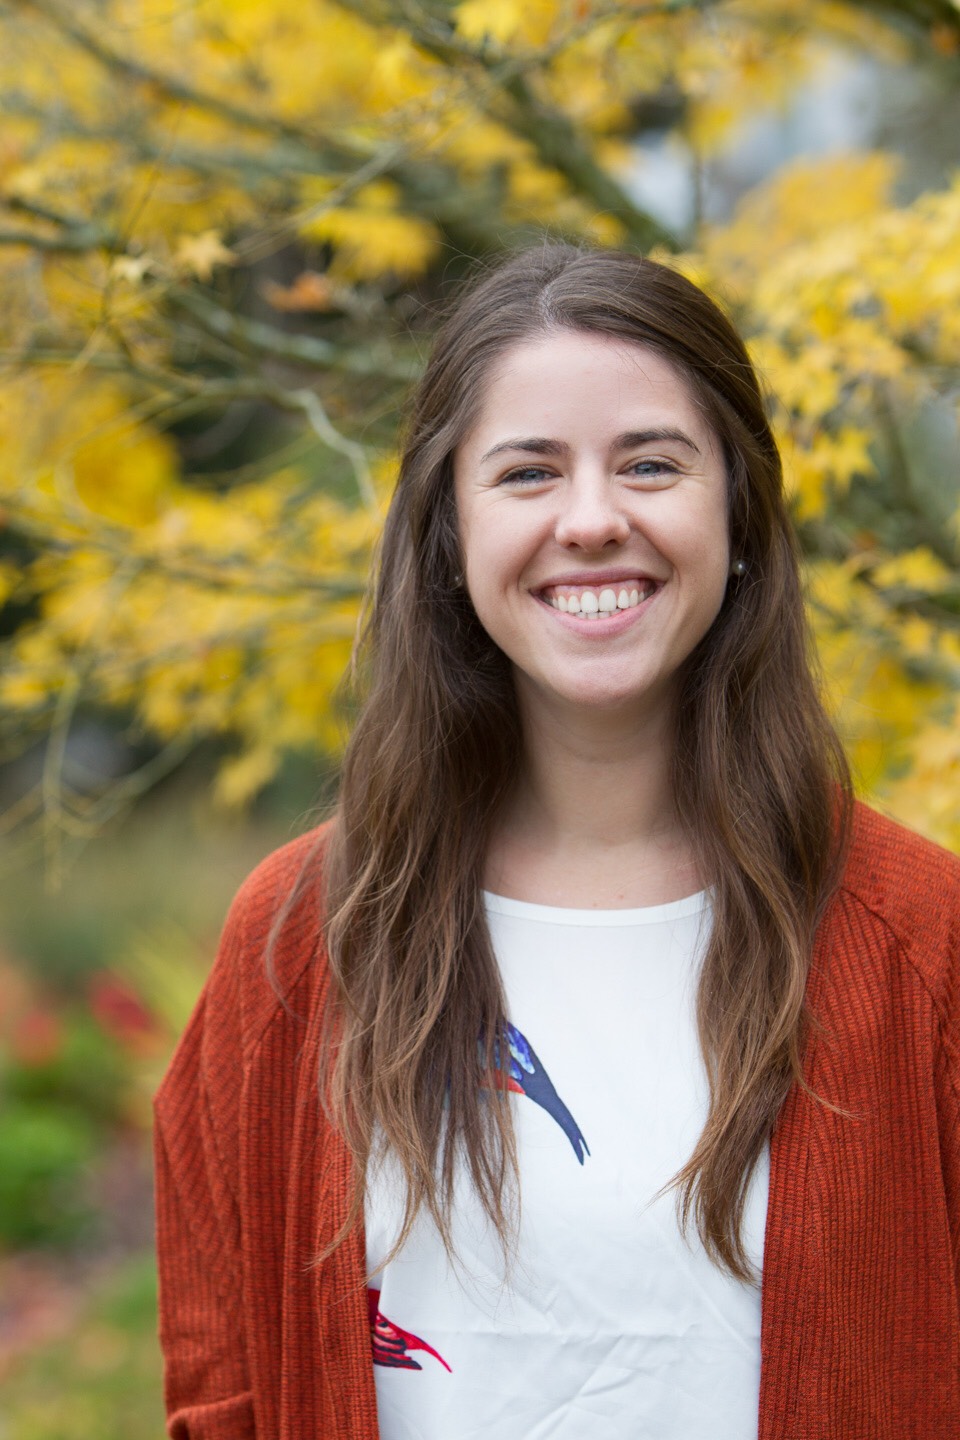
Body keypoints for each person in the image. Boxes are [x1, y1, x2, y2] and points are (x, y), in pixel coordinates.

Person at [154, 245, 960, 1440]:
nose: (592, 520)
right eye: (528, 472)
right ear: (448, 533)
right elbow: (223, 1394)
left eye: (650, 463)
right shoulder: (298, 946)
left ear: (738, 512)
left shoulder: (920, 943)